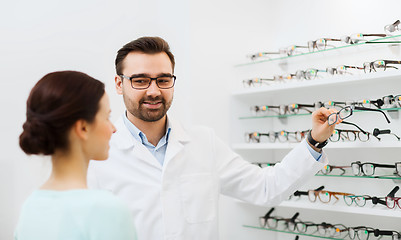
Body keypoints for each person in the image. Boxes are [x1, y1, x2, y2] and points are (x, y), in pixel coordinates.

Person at [87, 37, 339, 240]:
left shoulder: (202, 142)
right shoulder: (96, 155)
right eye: (140, 80)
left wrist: (314, 141)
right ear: (119, 84)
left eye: (163, 80)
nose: (154, 91)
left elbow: (266, 189)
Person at [16, 71, 136, 240]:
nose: (113, 128)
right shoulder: (106, 210)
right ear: (83, 128)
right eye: (106, 117)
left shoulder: (30, 207)